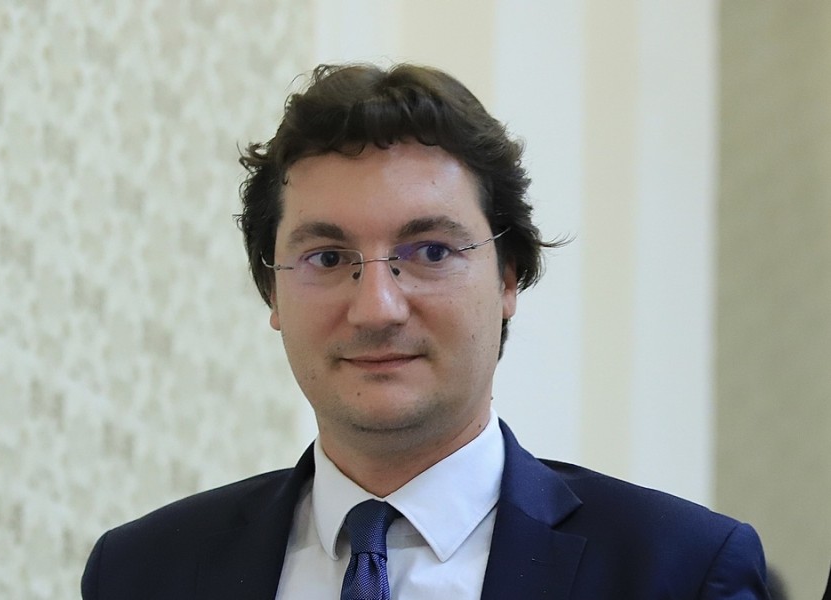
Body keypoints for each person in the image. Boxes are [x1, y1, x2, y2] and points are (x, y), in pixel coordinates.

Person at [81, 63, 771, 599]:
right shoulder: (143, 572)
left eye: (431, 252)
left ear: (508, 278)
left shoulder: (678, 570)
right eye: (328, 258)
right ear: (272, 292)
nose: (377, 307)